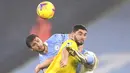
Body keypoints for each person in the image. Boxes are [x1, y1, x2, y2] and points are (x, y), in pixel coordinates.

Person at [26, 25, 98, 73]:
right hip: (74, 71)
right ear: (32, 49)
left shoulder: (55, 38)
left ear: (40, 39)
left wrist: (79, 50)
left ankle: (85, 58)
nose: (38, 45)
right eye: (34, 45)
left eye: (38, 41)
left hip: (83, 61)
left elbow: (75, 38)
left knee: (68, 44)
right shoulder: (43, 62)